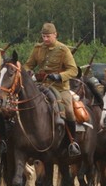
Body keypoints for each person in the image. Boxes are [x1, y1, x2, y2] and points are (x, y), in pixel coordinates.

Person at [24, 22, 81, 157]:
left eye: (48, 36)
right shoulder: (38, 48)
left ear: (55, 35)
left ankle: (71, 143)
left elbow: (73, 70)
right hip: (41, 86)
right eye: (43, 36)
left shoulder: (63, 50)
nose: (45, 39)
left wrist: (59, 76)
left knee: (68, 110)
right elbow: (28, 65)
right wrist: (29, 72)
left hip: (60, 88)